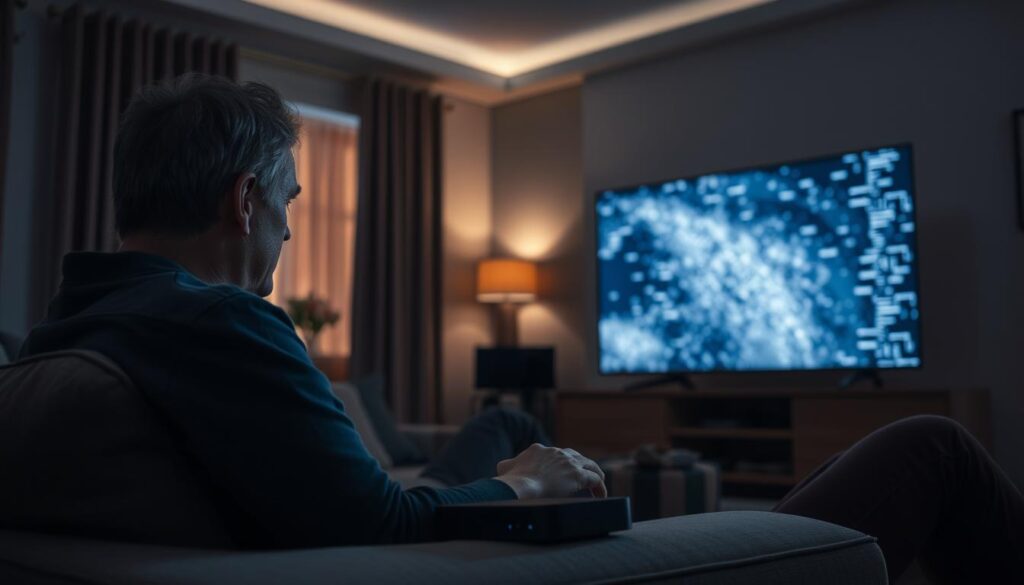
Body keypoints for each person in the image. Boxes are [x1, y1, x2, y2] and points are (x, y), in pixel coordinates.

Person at [14, 76, 1023, 583]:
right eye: (287, 202)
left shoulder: (67, 333)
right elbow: (380, 522)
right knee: (929, 449)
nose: (285, 228)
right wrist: (521, 483)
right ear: (244, 204)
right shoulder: (220, 323)